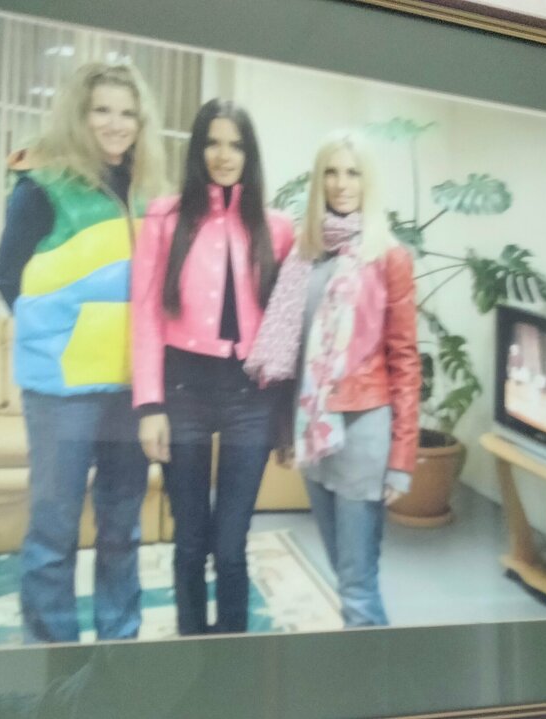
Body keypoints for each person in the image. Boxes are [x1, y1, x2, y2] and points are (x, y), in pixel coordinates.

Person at [0, 62, 167, 644]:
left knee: (122, 528)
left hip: (129, 389)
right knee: (54, 530)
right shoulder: (42, 185)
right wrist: (61, 336)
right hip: (61, 390)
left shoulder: (148, 193)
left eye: (128, 112)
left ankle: (121, 645)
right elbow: (8, 277)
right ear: (79, 115)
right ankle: (51, 656)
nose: (116, 124)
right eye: (102, 110)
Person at [130, 99, 295, 636]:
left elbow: (291, 326)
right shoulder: (165, 218)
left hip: (251, 395)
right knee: (190, 541)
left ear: (250, 154)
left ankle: (231, 655)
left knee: (230, 545)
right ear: (198, 149)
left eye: (236, 145)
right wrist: (150, 405)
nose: (224, 156)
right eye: (213, 143)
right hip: (184, 391)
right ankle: (191, 648)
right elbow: (145, 315)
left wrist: (288, 418)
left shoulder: (278, 228)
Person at [245, 132, 419, 627]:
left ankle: (375, 667)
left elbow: (405, 359)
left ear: (368, 182)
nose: (342, 184)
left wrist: (402, 459)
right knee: (342, 572)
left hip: (363, 429)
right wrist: (284, 431)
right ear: (319, 180)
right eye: (332, 172)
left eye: (353, 173)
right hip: (313, 432)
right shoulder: (305, 254)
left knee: (358, 583)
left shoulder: (389, 256)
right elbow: (293, 352)